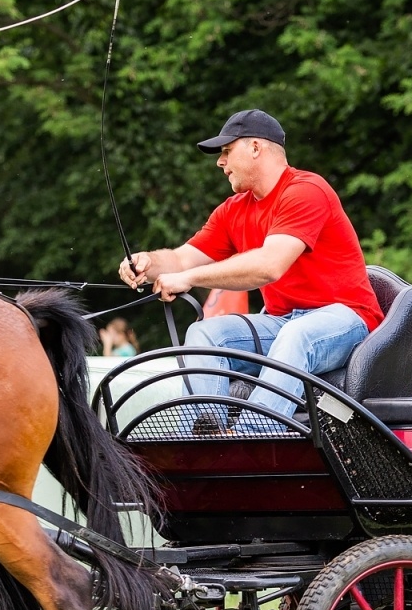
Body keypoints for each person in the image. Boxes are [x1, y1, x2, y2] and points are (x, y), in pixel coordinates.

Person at [118, 109, 383, 428]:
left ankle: (249, 438)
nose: (220, 162)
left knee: (296, 335)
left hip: (346, 320)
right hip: (283, 323)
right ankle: (206, 438)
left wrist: (186, 278)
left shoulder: (306, 190)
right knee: (203, 333)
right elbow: (181, 259)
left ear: (256, 147)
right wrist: (147, 263)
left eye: (227, 151)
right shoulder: (232, 211)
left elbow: (269, 266)